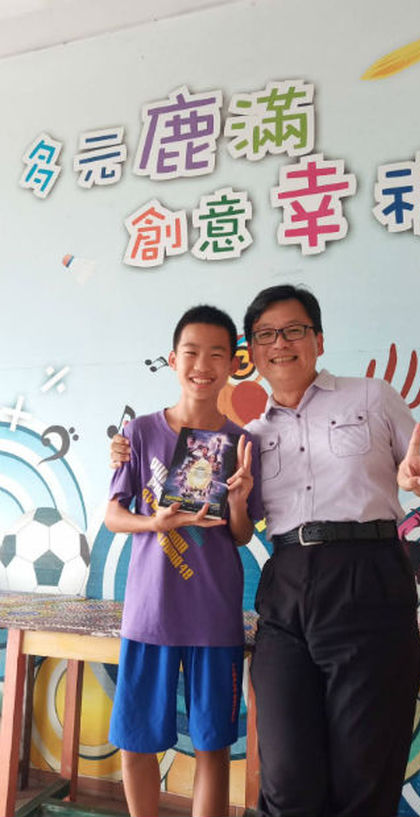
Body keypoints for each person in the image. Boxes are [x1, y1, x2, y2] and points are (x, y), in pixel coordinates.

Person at [110, 285, 420, 817]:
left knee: (363, 772)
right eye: (266, 335)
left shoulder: (371, 397)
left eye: (294, 331)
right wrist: (133, 460)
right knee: (287, 776)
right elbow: (238, 526)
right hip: (286, 585)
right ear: (253, 354)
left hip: (367, 576)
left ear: (318, 340)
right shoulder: (248, 436)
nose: (280, 343)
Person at [105, 305, 262, 817]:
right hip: (148, 615)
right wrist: (154, 524)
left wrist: (238, 502)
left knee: (212, 745)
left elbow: (241, 535)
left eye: (217, 354)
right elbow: (113, 516)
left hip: (214, 618)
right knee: (136, 741)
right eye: (192, 352)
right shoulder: (139, 433)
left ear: (233, 364)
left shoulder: (242, 443)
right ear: (173, 360)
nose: (203, 364)